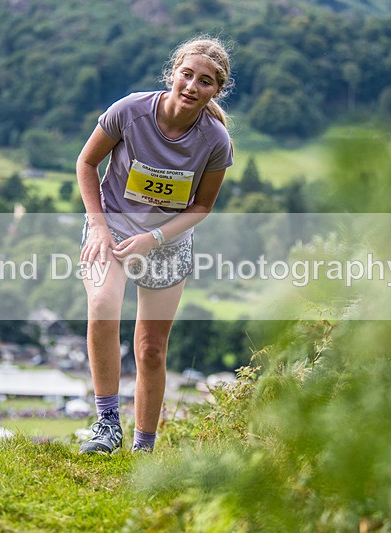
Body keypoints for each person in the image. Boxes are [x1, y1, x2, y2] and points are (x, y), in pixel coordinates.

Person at [76, 36, 234, 454]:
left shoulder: (216, 140)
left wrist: (155, 238)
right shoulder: (129, 111)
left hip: (167, 241)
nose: (192, 86)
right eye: (187, 74)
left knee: (150, 350)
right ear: (172, 73)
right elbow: (87, 163)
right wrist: (98, 228)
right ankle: (107, 425)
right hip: (110, 226)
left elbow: (202, 206)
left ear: (216, 90)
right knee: (103, 305)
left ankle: (143, 448)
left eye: (204, 81)